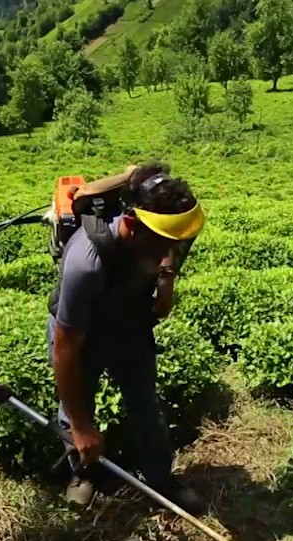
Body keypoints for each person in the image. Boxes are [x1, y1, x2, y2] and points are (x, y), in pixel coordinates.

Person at [46, 162, 205, 513]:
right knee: (75, 408)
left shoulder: (163, 240)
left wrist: (166, 275)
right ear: (132, 227)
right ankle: (82, 472)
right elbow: (66, 348)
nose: (171, 250)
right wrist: (83, 428)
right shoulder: (87, 262)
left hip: (129, 325)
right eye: (164, 244)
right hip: (83, 333)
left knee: (146, 408)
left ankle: (160, 480)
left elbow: (160, 307)